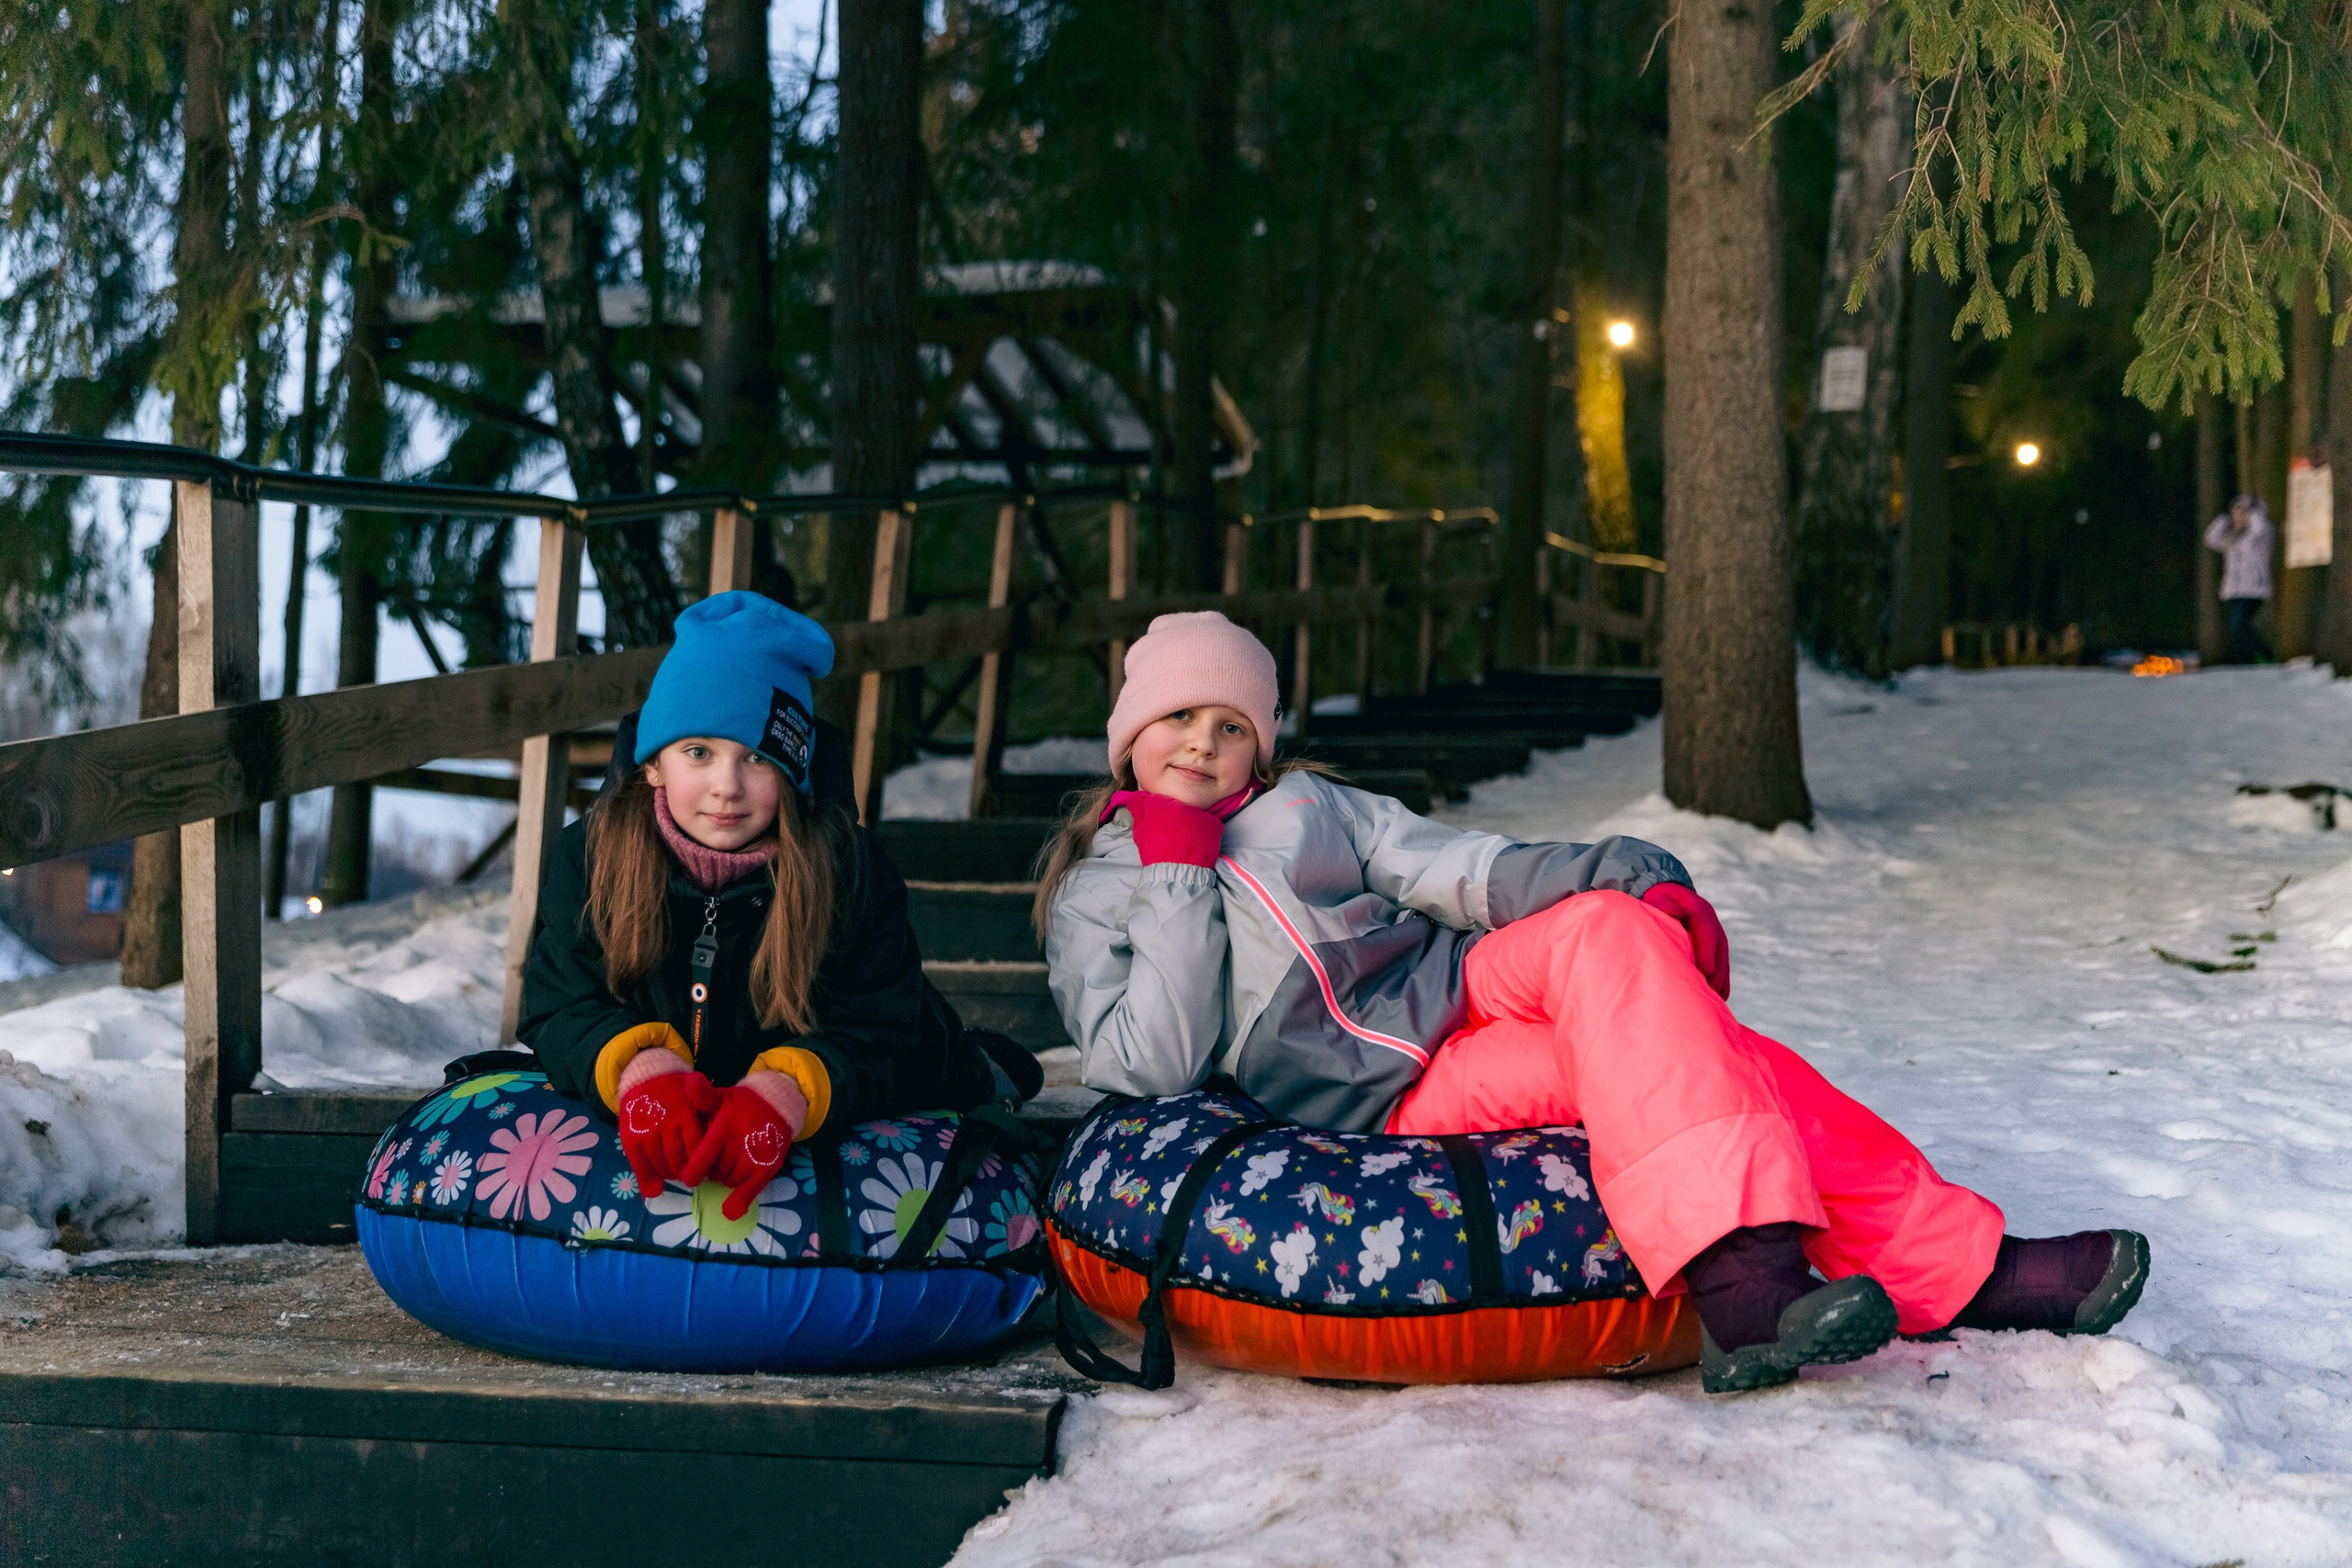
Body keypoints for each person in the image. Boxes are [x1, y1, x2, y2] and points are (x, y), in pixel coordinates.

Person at [1036, 611, 2149, 1393]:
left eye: (1231, 724)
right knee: (1720, 1059)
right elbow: (1154, 1062)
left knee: (1615, 932)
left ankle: (1811, 1280)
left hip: (1455, 982)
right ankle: (1896, 1275)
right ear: (1129, 737)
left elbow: (1459, 869)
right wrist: (1175, 874)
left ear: (1262, 746)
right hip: (1384, 1091)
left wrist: (1630, 875)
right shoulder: (1096, 891)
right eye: (1178, 717)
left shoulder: (1310, 810)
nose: (1204, 742)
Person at [520, 591, 1032, 1220]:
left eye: (758, 758)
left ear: (795, 774)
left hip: (883, 1056)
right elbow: (559, 999)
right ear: (653, 763)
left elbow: (881, 1028)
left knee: (956, 1067)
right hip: (679, 1074)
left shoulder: (850, 871)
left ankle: (986, 1062)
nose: (726, 786)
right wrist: (639, 1066)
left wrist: (788, 1087)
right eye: (698, 752)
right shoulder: (590, 857)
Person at [2204, 494, 2276, 664]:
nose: (2238, 517)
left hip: (2254, 589)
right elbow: (2211, 539)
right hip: (2233, 590)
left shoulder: (2260, 537)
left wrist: (2254, 512)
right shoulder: (2232, 538)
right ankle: (2247, 660)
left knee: (2239, 626)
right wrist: (2224, 518)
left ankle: (2266, 654)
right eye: (2236, 513)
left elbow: (2259, 528)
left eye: (2243, 513)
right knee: (2236, 630)